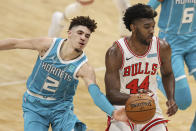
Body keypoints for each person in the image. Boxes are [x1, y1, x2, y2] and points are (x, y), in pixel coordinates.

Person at [0, 16, 128, 131]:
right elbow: (15, 43)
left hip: (60, 110)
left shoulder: (84, 67)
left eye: (87, 36)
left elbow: (96, 94)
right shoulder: (47, 45)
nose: (83, 37)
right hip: (34, 106)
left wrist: (113, 112)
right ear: (69, 33)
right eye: (80, 33)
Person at [104, 3, 178, 131]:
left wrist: (171, 98)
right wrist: (137, 99)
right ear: (133, 27)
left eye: (153, 26)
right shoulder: (116, 52)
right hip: (122, 109)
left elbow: (167, 74)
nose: (151, 31)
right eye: (146, 27)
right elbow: (111, 94)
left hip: (151, 108)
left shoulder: (162, 47)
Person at [147, 0, 196, 130]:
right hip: (170, 44)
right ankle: (154, 79)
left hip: (194, 42)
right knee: (183, 102)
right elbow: (146, 10)